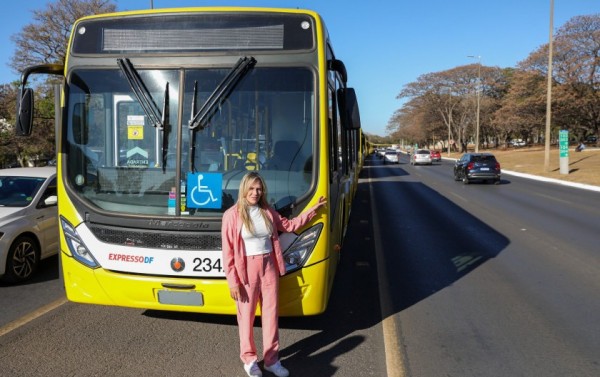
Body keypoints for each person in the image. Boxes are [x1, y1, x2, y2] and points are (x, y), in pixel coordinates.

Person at [221, 172, 326, 377]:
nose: (255, 192)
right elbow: (228, 252)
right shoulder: (232, 215)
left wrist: (313, 211)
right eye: (251, 188)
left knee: (270, 316)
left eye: (258, 189)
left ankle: (271, 360)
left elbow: (289, 226)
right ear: (243, 189)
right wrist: (233, 281)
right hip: (246, 270)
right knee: (246, 318)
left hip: (269, 265)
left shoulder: (267, 211)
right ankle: (250, 360)